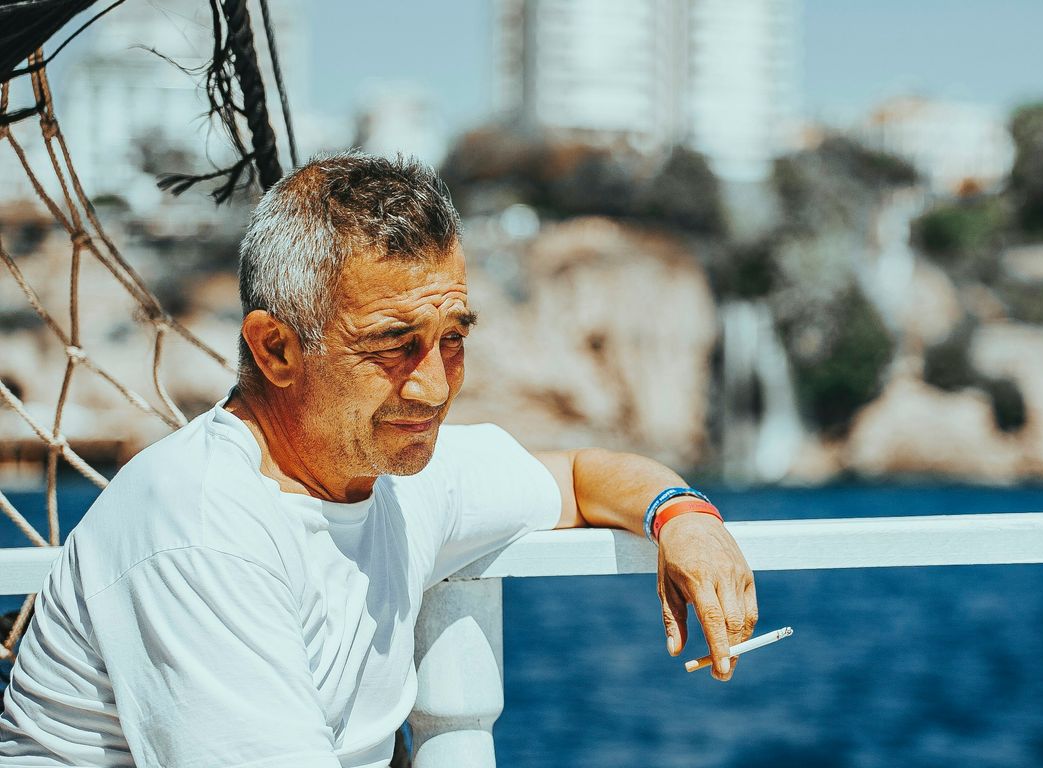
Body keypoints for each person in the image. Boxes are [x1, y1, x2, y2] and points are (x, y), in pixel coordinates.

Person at [0, 152, 758, 767]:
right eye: (395, 345)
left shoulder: (397, 474)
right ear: (277, 348)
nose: (433, 384)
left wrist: (683, 516)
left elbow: (581, 475)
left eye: (452, 336)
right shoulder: (203, 529)